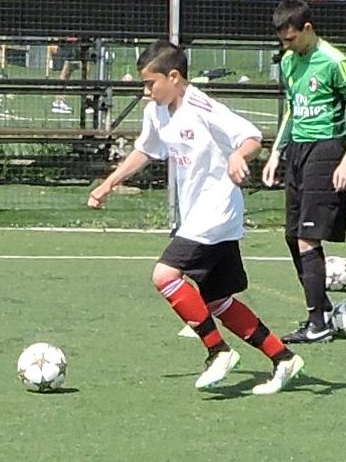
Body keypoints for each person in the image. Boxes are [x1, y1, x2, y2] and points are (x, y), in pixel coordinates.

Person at [88, 40, 304, 395]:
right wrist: (109, 183)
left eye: (151, 83)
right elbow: (145, 150)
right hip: (197, 216)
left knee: (165, 275)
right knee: (218, 301)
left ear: (174, 77)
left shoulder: (201, 106)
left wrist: (238, 156)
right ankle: (283, 358)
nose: (146, 91)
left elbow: (251, 136)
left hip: (216, 210)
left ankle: (218, 351)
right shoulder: (156, 111)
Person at [262, 0, 346, 344]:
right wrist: (276, 153)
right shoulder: (289, 62)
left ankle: (317, 324)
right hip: (297, 151)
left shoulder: (335, 62)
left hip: (327, 151)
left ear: (307, 29)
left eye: (291, 39)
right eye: (282, 41)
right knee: (292, 235)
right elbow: (292, 111)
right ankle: (322, 312)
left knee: (308, 237)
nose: (286, 46)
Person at [51, 0, 90, 114]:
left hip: (80, 40)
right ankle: (59, 101)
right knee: (72, 70)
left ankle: (84, 101)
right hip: (72, 41)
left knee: (82, 69)